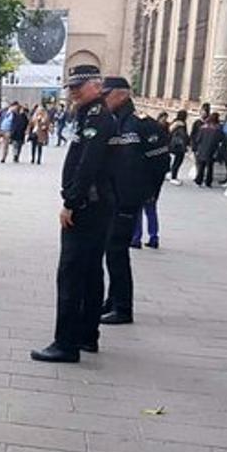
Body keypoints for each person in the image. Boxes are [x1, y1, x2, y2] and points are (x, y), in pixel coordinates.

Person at [31, 65, 117, 363]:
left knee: (71, 273)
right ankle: (86, 335)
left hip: (87, 207)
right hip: (97, 206)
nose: (73, 92)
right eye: (70, 88)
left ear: (97, 86)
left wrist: (71, 202)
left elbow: (88, 165)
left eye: (78, 87)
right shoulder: (93, 115)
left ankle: (66, 343)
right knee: (91, 272)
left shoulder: (97, 118)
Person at [97, 77, 151, 326]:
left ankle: (123, 308)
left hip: (125, 200)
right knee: (111, 253)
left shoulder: (134, 125)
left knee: (117, 254)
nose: (104, 99)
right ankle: (112, 300)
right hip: (115, 199)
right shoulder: (119, 121)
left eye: (106, 94)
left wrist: (140, 194)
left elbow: (145, 163)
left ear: (121, 95)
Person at [133, 108, 171, 250]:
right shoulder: (160, 136)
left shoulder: (140, 133)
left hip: (141, 178)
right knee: (151, 209)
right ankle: (153, 236)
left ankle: (136, 238)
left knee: (137, 209)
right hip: (155, 180)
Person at [192, 111, 223, 187]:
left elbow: (198, 139)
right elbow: (220, 140)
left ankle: (199, 180)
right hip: (212, 150)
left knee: (201, 166)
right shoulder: (217, 129)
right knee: (210, 167)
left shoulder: (203, 128)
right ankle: (208, 182)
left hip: (202, 149)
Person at [167, 110, 189, 185]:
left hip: (172, 145)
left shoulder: (174, 122)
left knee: (173, 160)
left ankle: (170, 174)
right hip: (179, 146)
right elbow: (183, 136)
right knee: (178, 161)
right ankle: (173, 177)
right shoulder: (182, 124)